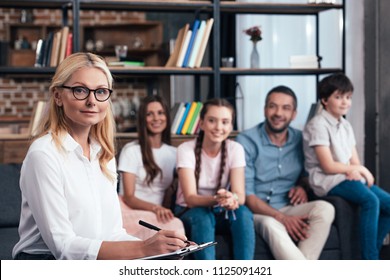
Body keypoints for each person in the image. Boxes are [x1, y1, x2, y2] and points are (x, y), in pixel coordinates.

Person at [12, 52, 189, 260]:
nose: (92, 101)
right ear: (58, 96)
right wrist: (144, 249)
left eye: (101, 91)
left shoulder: (104, 155)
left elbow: (113, 234)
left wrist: (159, 248)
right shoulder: (43, 155)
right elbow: (64, 246)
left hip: (92, 261)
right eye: (80, 90)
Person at [236, 85, 335, 260]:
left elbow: (308, 173)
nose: (278, 113)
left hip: (287, 206)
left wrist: (301, 185)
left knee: (325, 209)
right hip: (257, 212)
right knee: (271, 224)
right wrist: (281, 218)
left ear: (294, 114)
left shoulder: (301, 139)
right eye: (273, 106)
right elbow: (248, 196)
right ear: (265, 109)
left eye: (286, 108)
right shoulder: (246, 140)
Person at [303, 73, 390, 260]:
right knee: (371, 201)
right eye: (338, 97)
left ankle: (370, 252)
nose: (345, 102)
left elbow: (354, 162)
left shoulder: (345, 125)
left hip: (344, 176)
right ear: (325, 100)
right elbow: (327, 166)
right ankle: (370, 260)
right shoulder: (317, 124)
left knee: (388, 204)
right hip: (327, 181)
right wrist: (358, 171)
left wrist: (356, 171)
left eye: (348, 97)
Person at [174, 98, 255, 260]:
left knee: (243, 213)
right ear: (202, 123)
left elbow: (241, 196)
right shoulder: (185, 149)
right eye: (212, 121)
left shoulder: (235, 149)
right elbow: (190, 199)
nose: (219, 127)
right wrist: (219, 199)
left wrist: (233, 199)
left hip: (221, 210)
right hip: (190, 211)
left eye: (225, 122)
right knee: (203, 217)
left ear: (231, 126)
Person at [117, 95, 185, 239]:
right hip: (128, 210)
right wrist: (155, 208)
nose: (156, 118)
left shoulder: (174, 153)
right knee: (175, 227)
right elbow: (128, 197)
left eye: (160, 113)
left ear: (167, 116)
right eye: (149, 114)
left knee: (174, 226)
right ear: (143, 119)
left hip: (157, 214)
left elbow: (167, 193)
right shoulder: (131, 150)